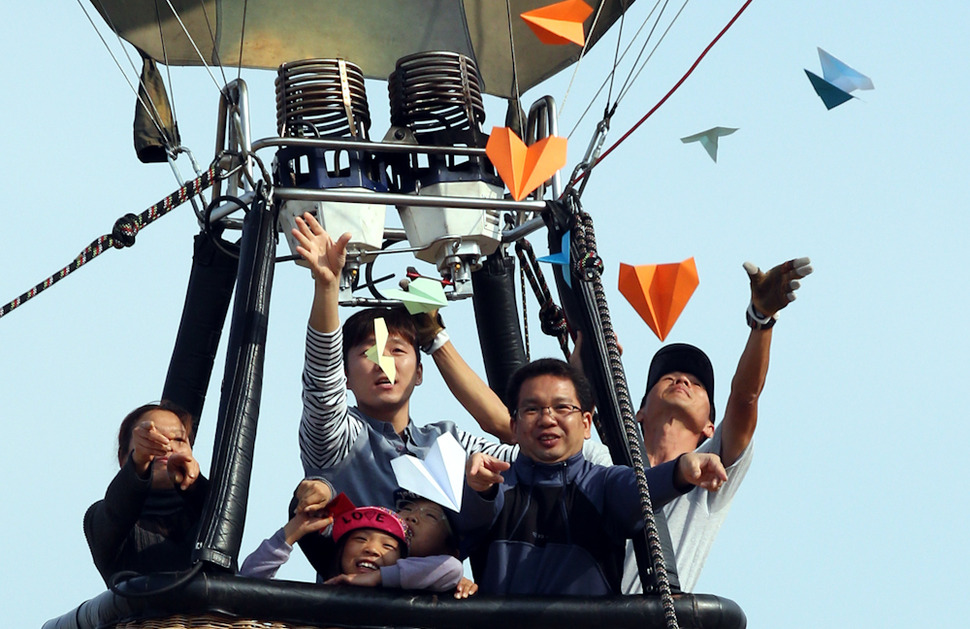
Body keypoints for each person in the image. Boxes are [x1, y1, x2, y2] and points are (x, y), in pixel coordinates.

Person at [292, 212, 519, 512]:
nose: (383, 362)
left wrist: (437, 340)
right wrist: (327, 288)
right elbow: (321, 382)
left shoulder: (446, 441)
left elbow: (528, 447)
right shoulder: (338, 439)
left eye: (397, 351)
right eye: (368, 352)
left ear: (419, 372)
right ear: (344, 376)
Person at [620, 257, 813, 593]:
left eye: (697, 383)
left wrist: (762, 321)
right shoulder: (603, 461)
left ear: (711, 426)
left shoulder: (710, 475)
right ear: (639, 412)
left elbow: (745, 398)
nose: (682, 379)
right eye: (668, 376)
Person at [455, 358, 727, 596]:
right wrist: (478, 491)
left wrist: (682, 469)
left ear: (586, 424)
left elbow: (641, 488)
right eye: (532, 409)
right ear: (514, 426)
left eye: (562, 408)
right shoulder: (495, 485)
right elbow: (452, 533)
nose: (547, 419)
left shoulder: (603, 485)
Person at [240, 491, 469, 594]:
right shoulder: (322, 596)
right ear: (341, 551)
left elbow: (452, 569)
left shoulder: (405, 595)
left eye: (388, 546)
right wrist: (290, 533)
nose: (371, 548)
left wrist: (378, 578)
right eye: (360, 539)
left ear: (403, 559)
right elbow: (247, 585)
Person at [84, 401, 207, 585]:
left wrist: (196, 486)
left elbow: (221, 508)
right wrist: (139, 463)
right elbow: (115, 513)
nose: (167, 446)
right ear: (123, 457)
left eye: (179, 440)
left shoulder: (211, 513)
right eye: (152, 439)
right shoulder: (101, 520)